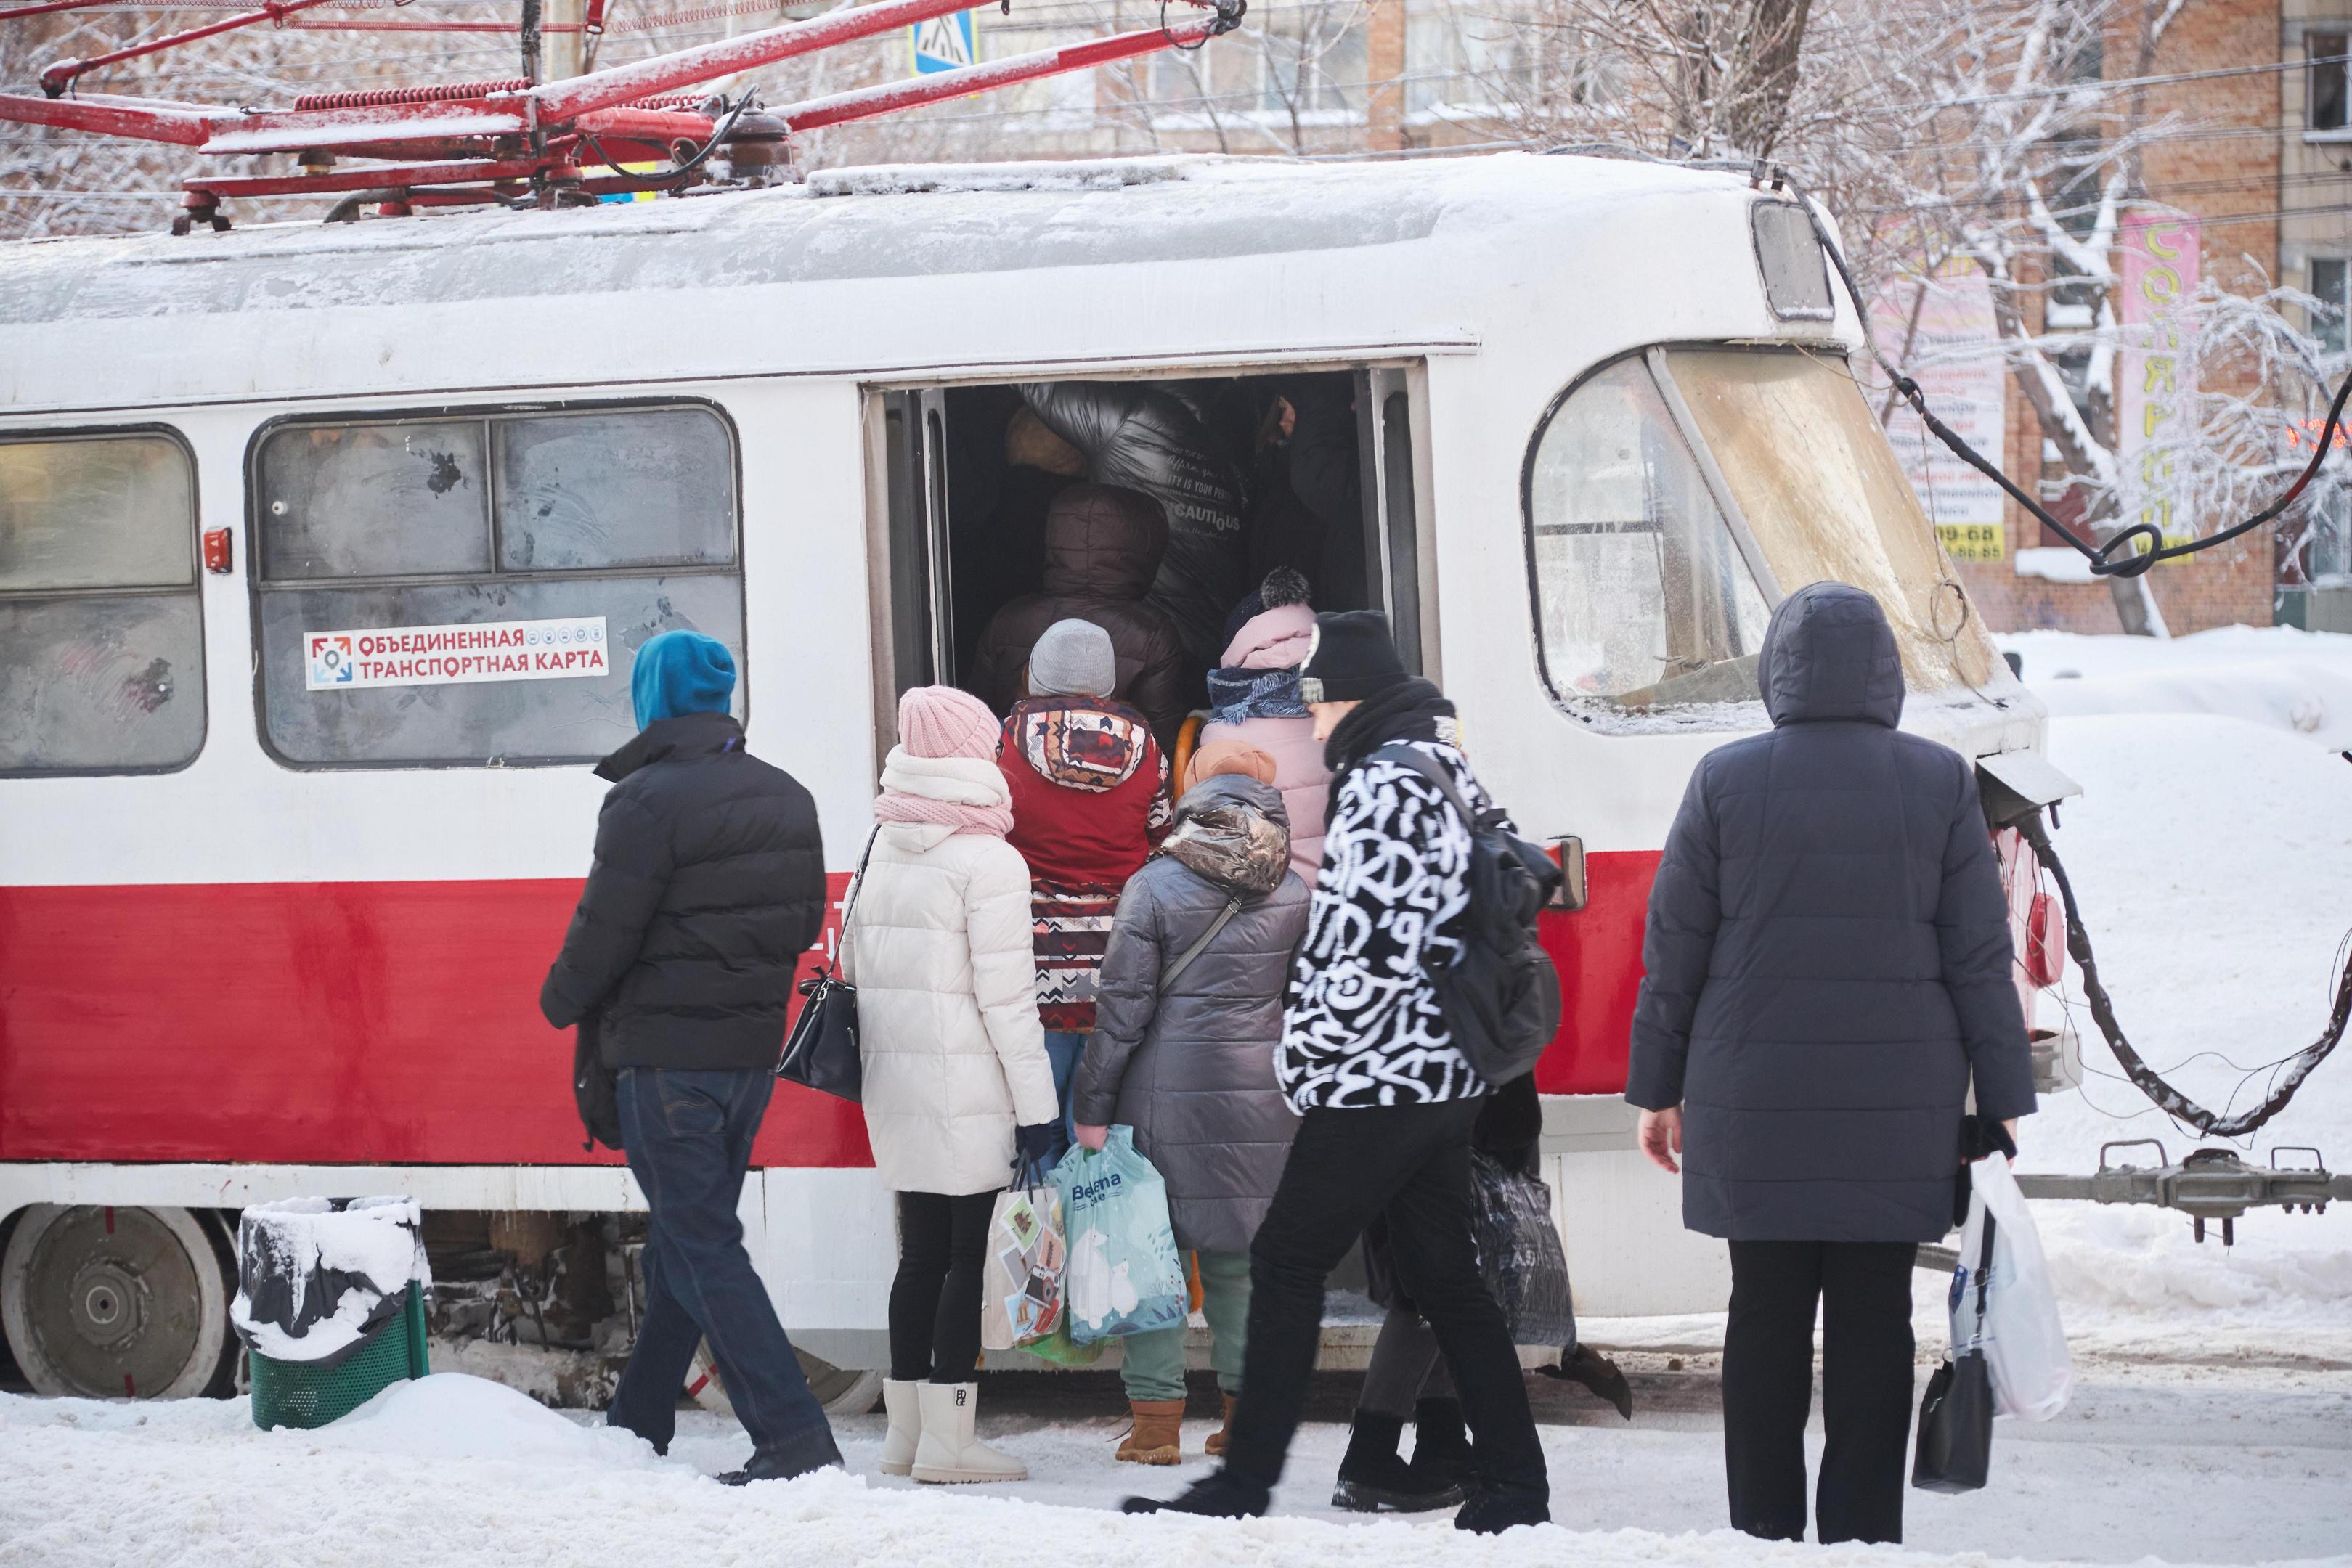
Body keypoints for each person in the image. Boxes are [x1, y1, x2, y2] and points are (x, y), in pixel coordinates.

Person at [1625, 581, 2037, 1546]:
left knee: (1761, 1319)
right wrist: (2003, 1096)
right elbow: (1979, 953)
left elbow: (1672, 949)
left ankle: (1760, 1534)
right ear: (1884, 674)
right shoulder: (1937, 783)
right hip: (1896, 1111)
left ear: (1777, 671)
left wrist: (1654, 1091)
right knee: (1871, 1323)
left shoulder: (1722, 780)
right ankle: (1858, 1537)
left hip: (1748, 1102)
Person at [1124, 611, 1549, 1535]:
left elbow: (1358, 952)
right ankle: (1516, 1486)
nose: (1309, 720)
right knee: (1445, 1277)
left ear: (1348, 696)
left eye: (1315, 700)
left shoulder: (1381, 784)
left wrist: (1304, 1065)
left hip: (1381, 1075)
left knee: (1285, 1261)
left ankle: (1241, 1486)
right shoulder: (1443, 767)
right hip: (1447, 1075)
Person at [538, 629, 841, 1485]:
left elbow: (605, 932)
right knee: (684, 1240)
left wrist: (559, 1001)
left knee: (702, 1243)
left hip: (667, 1062)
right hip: (747, 1058)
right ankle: (637, 1421)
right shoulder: (787, 795)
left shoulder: (645, 800)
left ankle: (793, 1440)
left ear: (655, 698)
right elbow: (793, 927)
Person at [842, 685, 1062, 1485]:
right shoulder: (990, 862)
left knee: (919, 1255)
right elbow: (1007, 1003)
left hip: (894, 1081)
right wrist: (1038, 1112)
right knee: (967, 1258)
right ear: (974, 756)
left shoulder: (882, 842)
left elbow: (858, 969)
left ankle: (905, 1439)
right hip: (967, 1087)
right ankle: (952, 1441)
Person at [1069, 746, 1309, 1467]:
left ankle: (1153, 1429)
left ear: (1193, 795)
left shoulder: (1153, 886)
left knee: (1152, 1259)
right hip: (1259, 1094)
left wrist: (1091, 1104)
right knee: (1236, 1264)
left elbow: (1121, 1011)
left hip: (1159, 1092)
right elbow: (1302, 1005)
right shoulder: (1295, 890)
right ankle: (1243, 1423)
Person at [1333, 1074, 1632, 1514]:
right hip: (1452, 1114)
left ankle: (1443, 1445)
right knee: (1433, 1288)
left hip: (1440, 1111)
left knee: (1461, 1282)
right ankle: (1369, 1457)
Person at [999, 618, 1174, 1156]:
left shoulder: (1003, 741)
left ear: (1040, 670)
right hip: (1120, 953)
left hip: (1031, 952)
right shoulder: (1146, 746)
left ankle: (1041, 1230)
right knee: (1101, 1118)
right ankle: (1096, 1229)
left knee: (1036, 1108)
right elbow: (1165, 834)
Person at [968, 482, 1189, 749]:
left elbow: (976, 724)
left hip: (1014, 782)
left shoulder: (1007, 621)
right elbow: (1161, 744)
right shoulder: (1153, 635)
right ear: (1143, 547)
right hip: (1116, 784)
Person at [1197, 567, 1332, 885]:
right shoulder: (1347, 721)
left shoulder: (1220, 737)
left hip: (1270, 909)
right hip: (1343, 899)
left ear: (1239, 647)